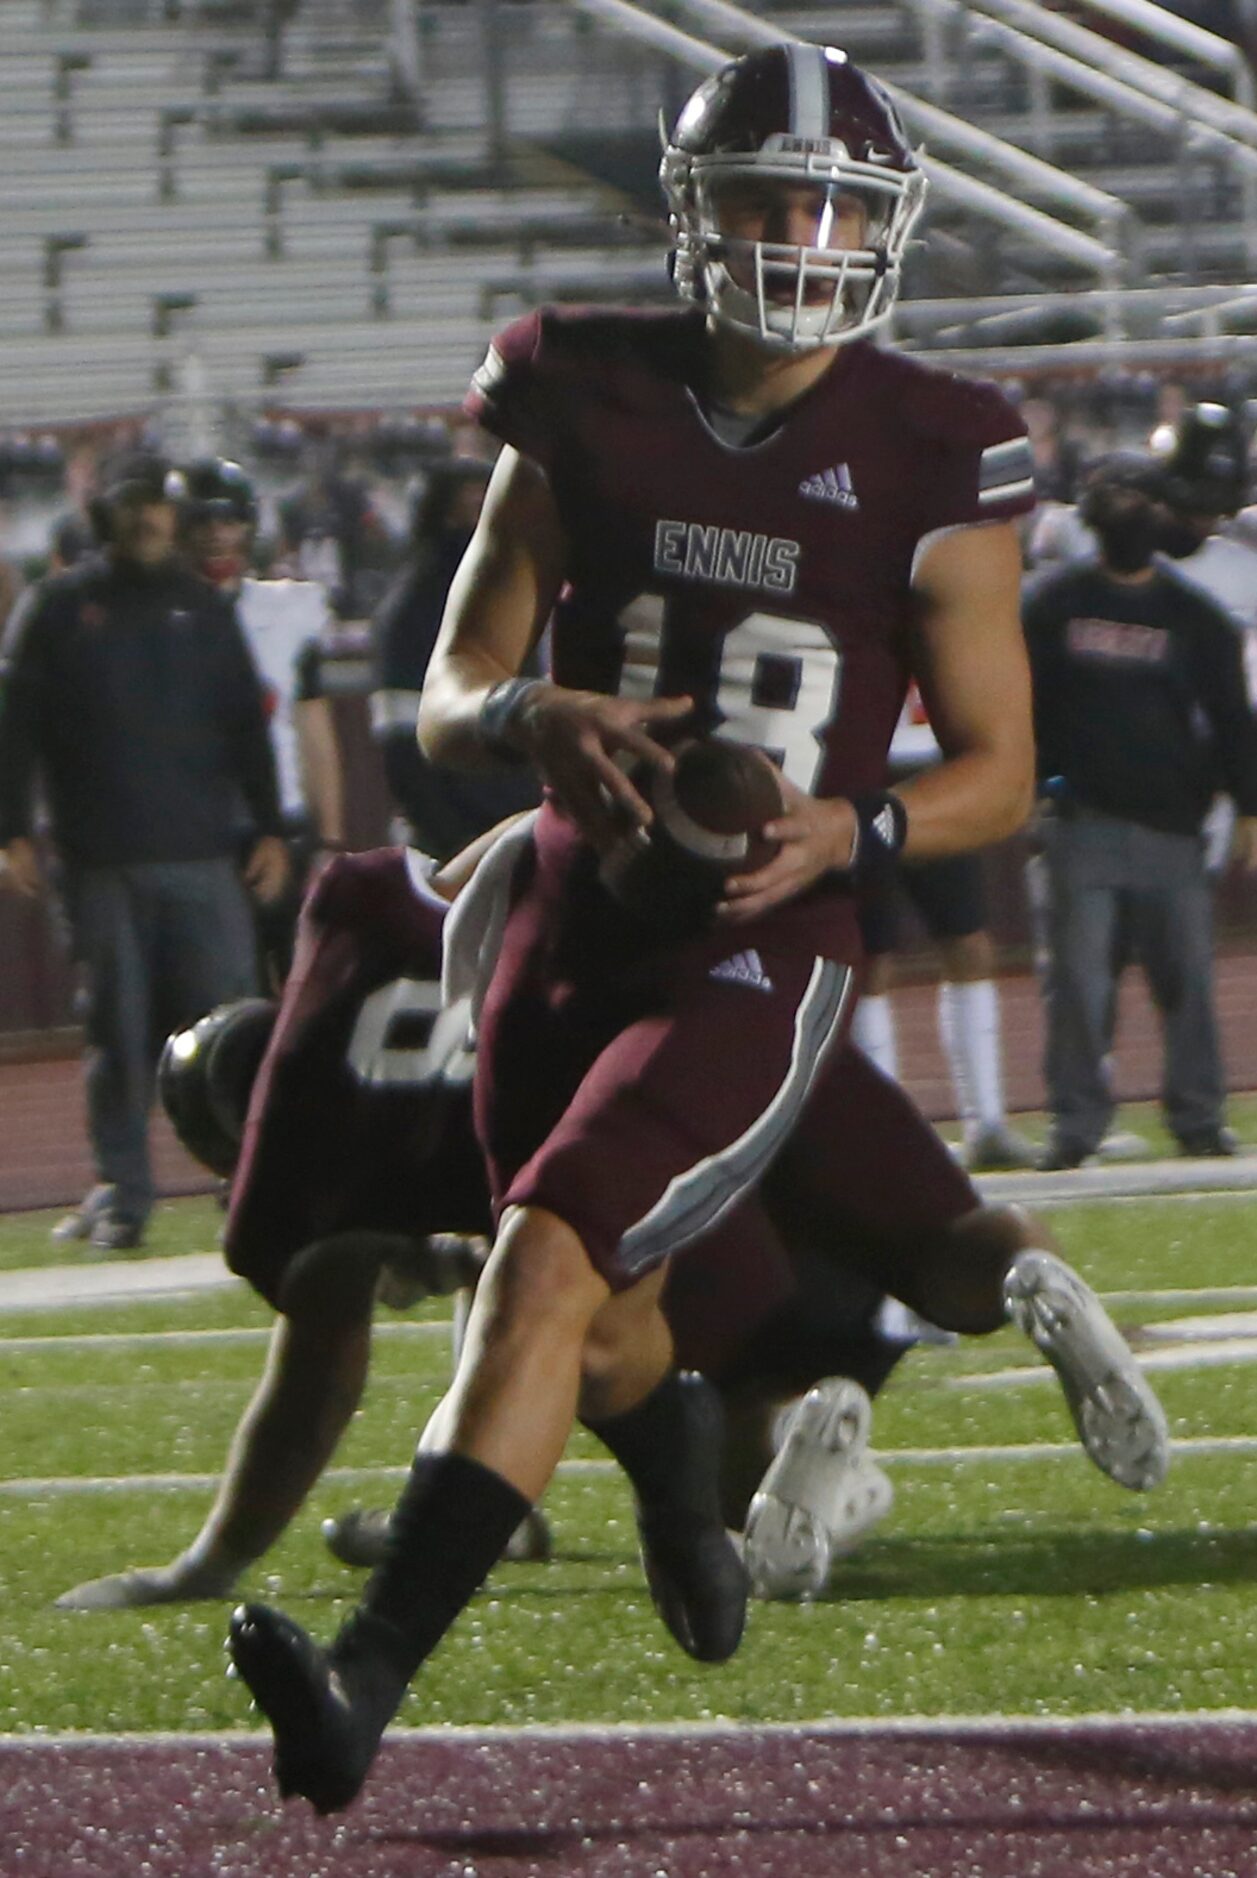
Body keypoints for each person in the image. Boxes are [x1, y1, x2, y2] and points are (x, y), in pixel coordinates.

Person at [224, 44, 1169, 1815]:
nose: (797, 230)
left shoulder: (934, 443)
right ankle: (674, 1479)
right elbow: (450, 681)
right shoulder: (578, 387)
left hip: (762, 932)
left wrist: (860, 817)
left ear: (881, 227)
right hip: (572, 911)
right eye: (761, 197)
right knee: (596, 1314)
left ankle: (362, 1682)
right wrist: (527, 720)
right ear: (693, 211)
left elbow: (995, 772)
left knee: (542, 1263)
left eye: (829, 204)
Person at [55, 818, 914, 1616]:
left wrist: (205, 1565)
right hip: (765, 1107)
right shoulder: (361, 914)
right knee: (517, 1266)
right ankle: (524, 1503)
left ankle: (788, 1440)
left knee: (664, 1409)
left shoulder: (306, 1159)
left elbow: (310, 1394)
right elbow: (519, 845)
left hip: (672, 1200)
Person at [0, 451, 290, 1251]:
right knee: (117, 1033)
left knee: (228, 1029)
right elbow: (14, 726)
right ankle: (122, 1192)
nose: (148, 521)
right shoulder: (58, 609)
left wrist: (268, 827)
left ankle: (251, 1181)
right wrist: (10, 827)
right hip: (102, 858)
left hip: (205, 855)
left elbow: (247, 725)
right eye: (132, 507)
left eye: (158, 507)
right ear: (106, 518)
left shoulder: (203, 607)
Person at [1024, 450, 1257, 1170]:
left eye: (1139, 495)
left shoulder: (1196, 619)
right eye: (1113, 493)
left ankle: (1196, 1117)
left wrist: (1248, 809)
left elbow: (1230, 720)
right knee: (1078, 986)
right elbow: (1018, 708)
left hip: (1173, 828)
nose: (1127, 509)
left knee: (1185, 983)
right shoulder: (1049, 606)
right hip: (1079, 822)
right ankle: (1075, 1125)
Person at [851, 682, 1036, 1172]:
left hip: (936, 773)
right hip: (866, 775)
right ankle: (879, 1131)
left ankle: (987, 1123)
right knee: (871, 958)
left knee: (969, 944)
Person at [180, 455, 347, 986]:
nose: (215, 535)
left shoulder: (286, 612)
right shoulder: (155, 620)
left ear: (248, 526)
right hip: (197, 833)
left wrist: (331, 839)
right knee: (221, 994)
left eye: (226, 520)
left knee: (304, 990)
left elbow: (314, 730)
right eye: (201, 521)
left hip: (282, 821)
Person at [370, 457, 539, 860]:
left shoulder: (518, 590)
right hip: (459, 835)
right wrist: (453, 839)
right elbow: (401, 738)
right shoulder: (417, 604)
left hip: (519, 822)